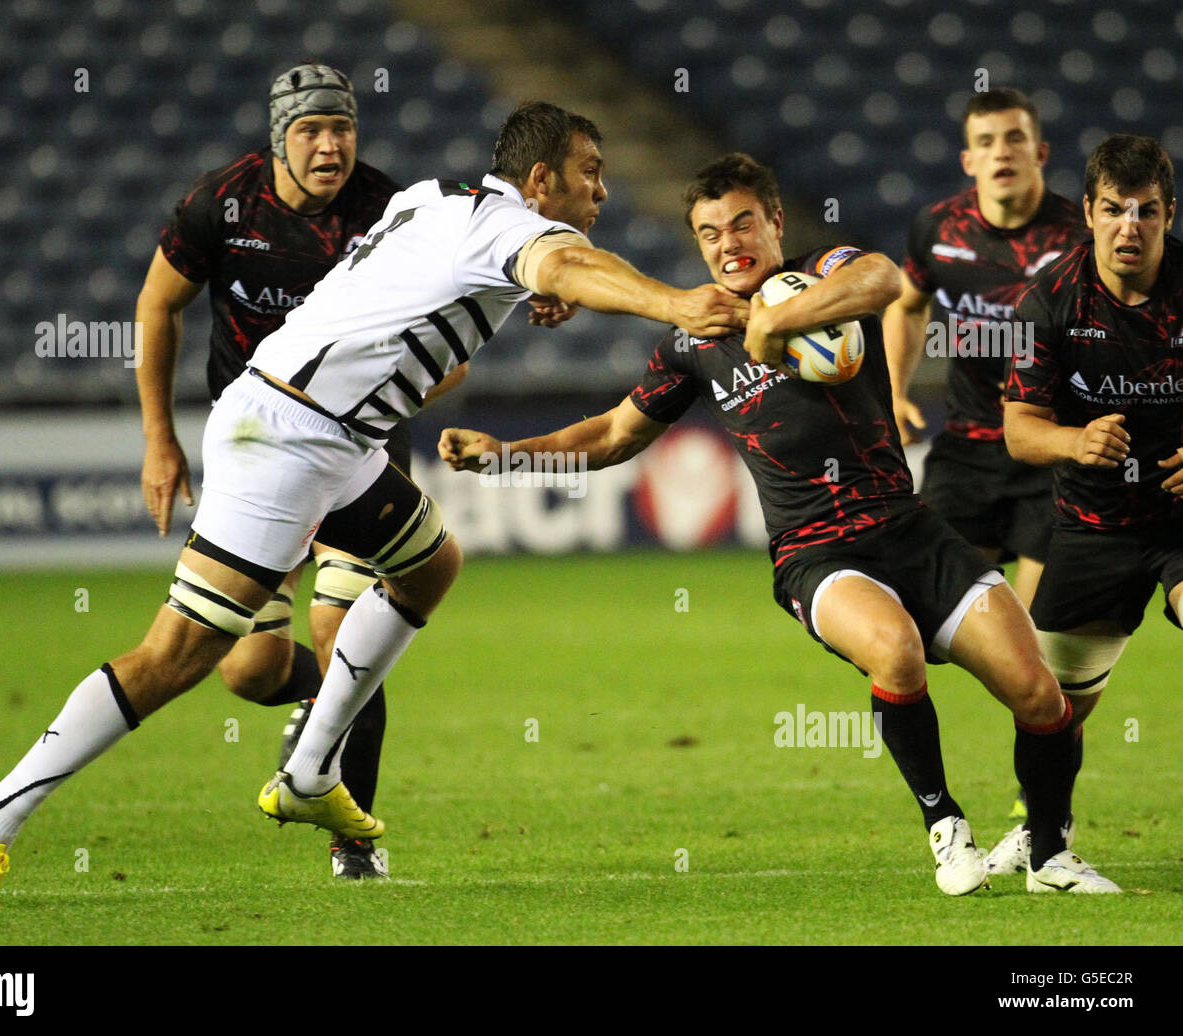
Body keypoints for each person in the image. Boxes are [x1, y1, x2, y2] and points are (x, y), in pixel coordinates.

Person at [0, 101, 747, 907]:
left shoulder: (432, 198)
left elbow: (462, 281)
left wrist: (518, 290)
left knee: (430, 565)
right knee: (178, 655)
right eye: (589, 175)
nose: (601, 195)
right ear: (540, 181)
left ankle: (311, 772)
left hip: (328, 434)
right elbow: (564, 264)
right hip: (287, 442)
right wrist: (672, 302)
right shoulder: (510, 233)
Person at [440, 152, 1118, 894]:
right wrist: (508, 454)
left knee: (1040, 694)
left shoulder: (827, 269)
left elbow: (885, 279)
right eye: (708, 233)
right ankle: (944, 825)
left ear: (775, 223)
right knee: (895, 654)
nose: (728, 243)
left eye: (742, 222)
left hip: (912, 529)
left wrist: (777, 322)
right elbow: (609, 437)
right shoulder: (693, 341)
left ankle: (1049, 855)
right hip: (818, 555)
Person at [136, 60, 418, 879]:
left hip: (357, 445)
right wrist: (160, 439)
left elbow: (470, 260)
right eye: (311, 131)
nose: (331, 147)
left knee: (342, 636)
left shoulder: (385, 211)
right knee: (248, 669)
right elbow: (158, 305)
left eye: (343, 129)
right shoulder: (220, 205)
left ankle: (354, 839)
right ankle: (317, 704)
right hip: (255, 453)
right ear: (278, 141)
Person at [992, 133, 1182, 878]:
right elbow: (1018, 430)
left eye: (1147, 212)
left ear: (1168, 214)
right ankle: (1047, 843)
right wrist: (1074, 443)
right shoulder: (1051, 302)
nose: (1130, 226)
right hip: (1094, 524)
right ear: (1090, 214)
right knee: (1050, 705)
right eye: (1114, 210)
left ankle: (1043, 841)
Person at [883, 88, 1086, 614]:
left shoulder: (1082, 241)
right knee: (932, 610)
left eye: (1015, 138)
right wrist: (895, 389)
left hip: (1053, 452)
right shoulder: (938, 227)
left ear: (1040, 152)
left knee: (1041, 635)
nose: (1002, 152)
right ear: (969, 160)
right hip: (967, 450)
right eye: (987, 141)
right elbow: (907, 306)